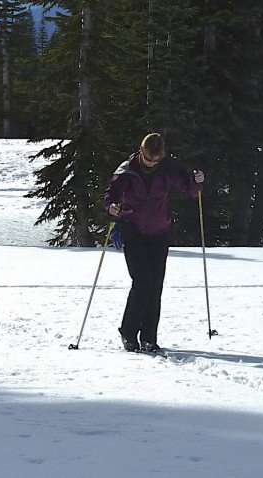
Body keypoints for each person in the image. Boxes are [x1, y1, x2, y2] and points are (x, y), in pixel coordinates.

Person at [103, 133, 205, 352]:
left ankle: (149, 337)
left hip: (159, 233)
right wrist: (111, 206)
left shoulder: (167, 167)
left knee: (155, 286)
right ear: (141, 152)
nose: (151, 163)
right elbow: (110, 194)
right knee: (142, 282)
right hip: (133, 231)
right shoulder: (127, 169)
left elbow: (189, 189)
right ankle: (128, 333)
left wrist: (197, 183)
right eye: (148, 159)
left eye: (155, 161)